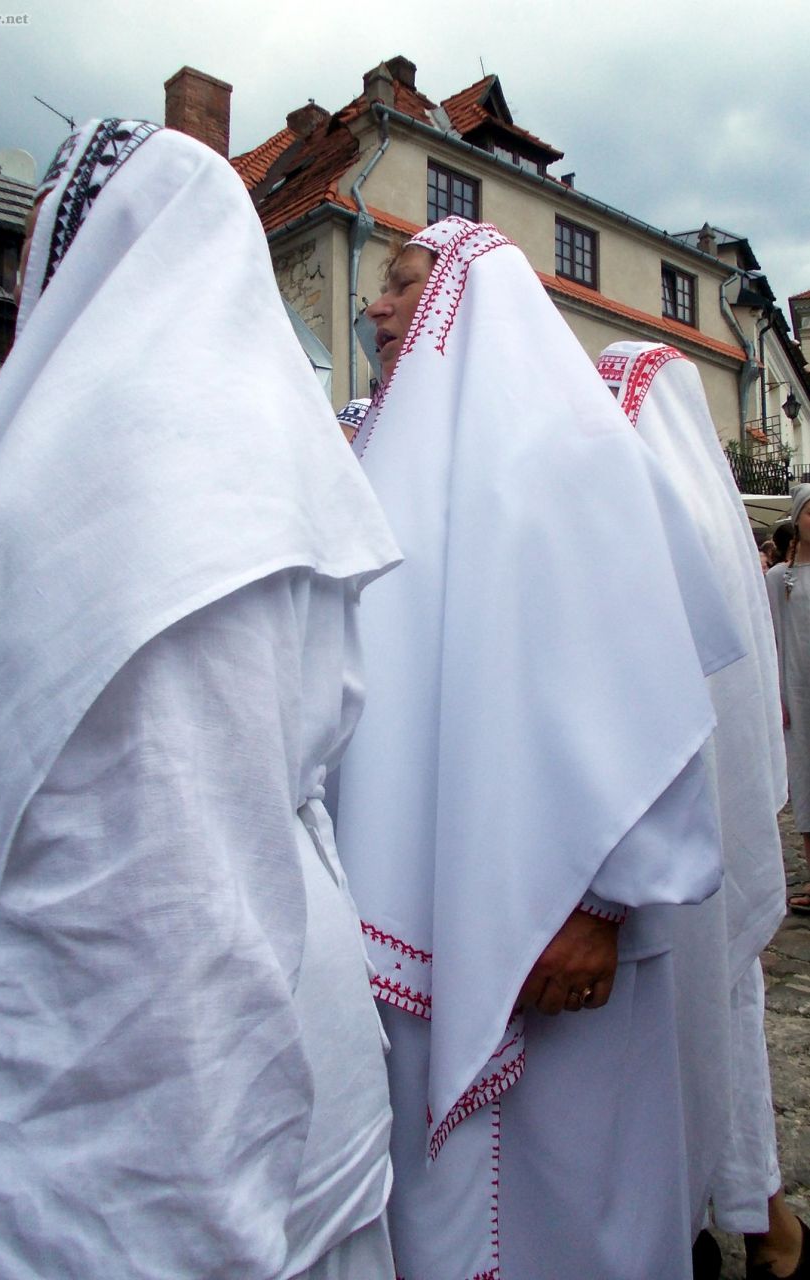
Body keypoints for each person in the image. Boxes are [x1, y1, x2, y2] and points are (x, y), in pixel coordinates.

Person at [0, 119, 403, 1279]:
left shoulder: (135, 489)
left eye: (39, 248)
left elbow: (160, 953)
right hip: (291, 1062)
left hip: (178, 1148)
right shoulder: (241, 467)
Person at [334, 216, 744, 1280]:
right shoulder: (385, 460)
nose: (376, 304)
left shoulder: (575, 456)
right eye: (378, 283)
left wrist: (598, 905)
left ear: (472, 300)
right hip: (428, 902)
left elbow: (647, 700)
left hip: (560, 945)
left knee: (572, 1207)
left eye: (403, 282)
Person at [598, 342, 807, 1280]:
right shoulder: (701, 520)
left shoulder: (669, 516)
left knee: (689, 1034)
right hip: (673, 835)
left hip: (670, 838)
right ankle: (733, 1216)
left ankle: (738, 1221)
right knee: (706, 1030)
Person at [768, 487, 810, 920]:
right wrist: (777, 695)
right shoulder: (780, 580)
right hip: (799, 691)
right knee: (807, 787)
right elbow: (772, 642)